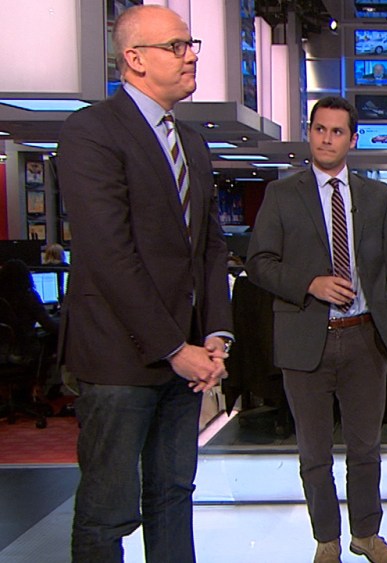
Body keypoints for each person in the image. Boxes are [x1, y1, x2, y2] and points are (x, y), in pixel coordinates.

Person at [56, 5, 233, 561]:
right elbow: (110, 255)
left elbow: (209, 247)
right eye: (176, 46)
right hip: (120, 360)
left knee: (173, 495)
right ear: (134, 59)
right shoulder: (91, 132)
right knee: (107, 510)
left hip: (186, 360)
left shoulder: (192, 143)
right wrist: (173, 347)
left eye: (191, 44)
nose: (191, 56)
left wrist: (215, 334)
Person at [246, 95, 387, 563]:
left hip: (364, 338)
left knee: (366, 449)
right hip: (305, 339)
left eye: (337, 132)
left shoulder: (377, 197)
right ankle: (327, 539)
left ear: (352, 140)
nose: (327, 139)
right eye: (320, 129)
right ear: (309, 133)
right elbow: (259, 262)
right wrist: (310, 284)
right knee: (314, 452)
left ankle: (366, 534)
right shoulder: (283, 195)